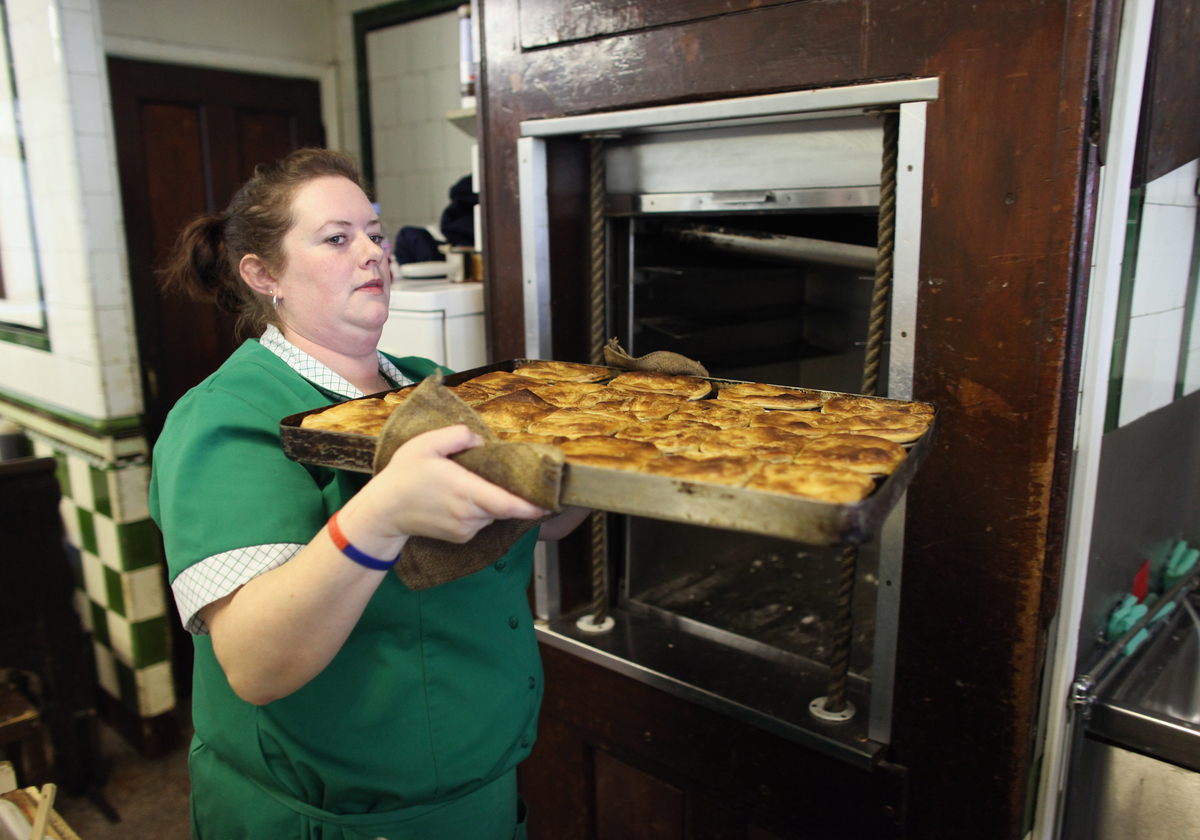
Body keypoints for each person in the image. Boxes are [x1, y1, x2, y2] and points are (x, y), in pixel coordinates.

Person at [149, 148, 589, 839]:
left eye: (375, 235)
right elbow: (257, 665)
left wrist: (611, 465)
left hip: (479, 795)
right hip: (330, 822)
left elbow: (543, 525)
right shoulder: (226, 417)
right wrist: (378, 516)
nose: (373, 254)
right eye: (337, 238)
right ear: (265, 276)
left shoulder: (434, 385)